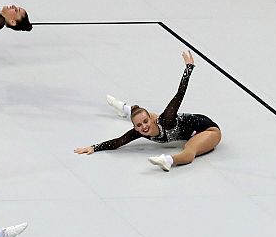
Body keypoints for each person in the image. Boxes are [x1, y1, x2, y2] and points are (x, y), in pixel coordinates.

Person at [74, 51, 221, 171]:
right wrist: (93, 147)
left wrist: (189, 67)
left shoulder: (166, 120)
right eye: (139, 125)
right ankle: (125, 109)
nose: (144, 127)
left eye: (145, 122)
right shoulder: (139, 131)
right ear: (135, 128)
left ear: (151, 119)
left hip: (208, 130)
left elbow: (179, 94)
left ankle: (168, 161)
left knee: (190, 149)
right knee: (139, 115)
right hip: (188, 129)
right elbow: (118, 142)